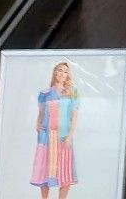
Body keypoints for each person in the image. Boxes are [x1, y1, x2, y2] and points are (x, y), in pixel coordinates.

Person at [31, 62, 78, 197]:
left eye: (65, 72)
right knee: (45, 170)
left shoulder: (72, 92)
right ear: (55, 72)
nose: (62, 74)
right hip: (47, 137)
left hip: (63, 136)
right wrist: (38, 126)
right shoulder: (45, 93)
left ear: (67, 75)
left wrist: (69, 136)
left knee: (65, 170)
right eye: (60, 70)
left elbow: (74, 116)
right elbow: (40, 113)